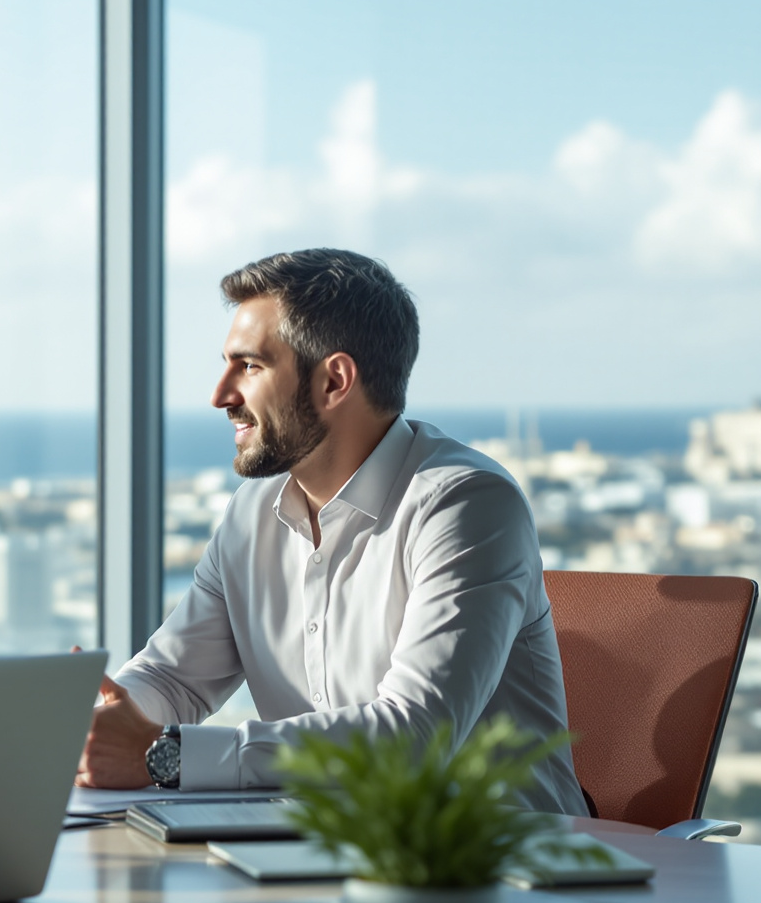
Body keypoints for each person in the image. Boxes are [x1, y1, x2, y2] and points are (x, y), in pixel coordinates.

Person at [78, 248, 586, 814]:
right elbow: (175, 680)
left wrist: (164, 754)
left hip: (495, 873)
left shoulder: (466, 505)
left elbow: (414, 737)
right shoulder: (252, 515)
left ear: (334, 380)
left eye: (248, 366)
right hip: (321, 848)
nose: (220, 395)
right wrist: (105, 724)